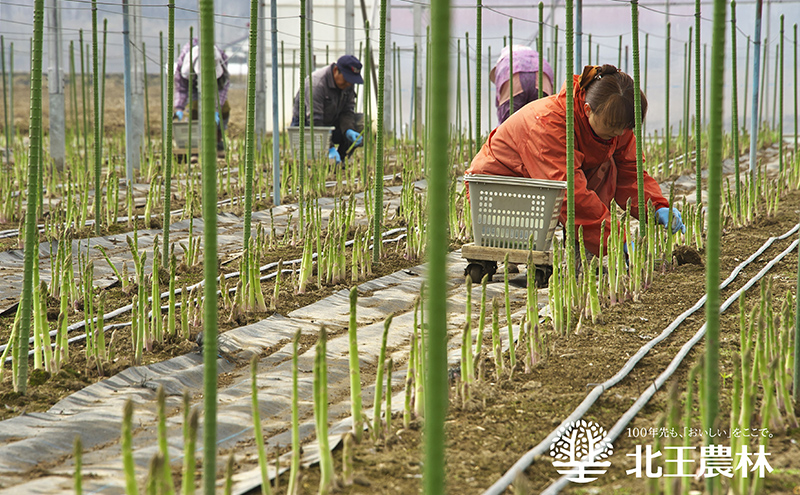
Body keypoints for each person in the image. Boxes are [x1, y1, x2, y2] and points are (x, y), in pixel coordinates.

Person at [466, 64, 685, 258]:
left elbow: (630, 171)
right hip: (498, 184)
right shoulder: (549, 123)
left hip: (540, 183)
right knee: (574, 187)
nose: (618, 132)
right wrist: (616, 239)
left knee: (608, 166)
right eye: (612, 126)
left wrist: (656, 206)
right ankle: (592, 240)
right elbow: (569, 191)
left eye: (624, 127)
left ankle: (588, 242)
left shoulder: (616, 123)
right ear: (589, 110)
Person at [291, 55, 364, 164]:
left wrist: (348, 129)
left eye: (352, 81)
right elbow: (315, 121)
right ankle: (321, 162)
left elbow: (347, 111)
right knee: (313, 161)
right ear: (336, 71)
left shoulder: (348, 84)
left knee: (362, 122)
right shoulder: (316, 84)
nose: (349, 84)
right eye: (347, 79)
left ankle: (340, 161)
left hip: (331, 124)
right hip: (307, 127)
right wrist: (329, 147)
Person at [173, 38, 230, 151]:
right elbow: (182, 88)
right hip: (193, 87)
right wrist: (179, 107)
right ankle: (194, 143)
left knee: (225, 108)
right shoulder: (184, 61)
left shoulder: (221, 58)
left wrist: (216, 109)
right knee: (194, 108)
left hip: (215, 86)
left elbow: (223, 87)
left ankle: (217, 139)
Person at [490, 45, 554, 125]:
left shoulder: (505, 62)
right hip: (541, 83)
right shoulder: (538, 59)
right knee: (540, 124)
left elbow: (499, 103)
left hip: (514, 83)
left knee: (508, 126)